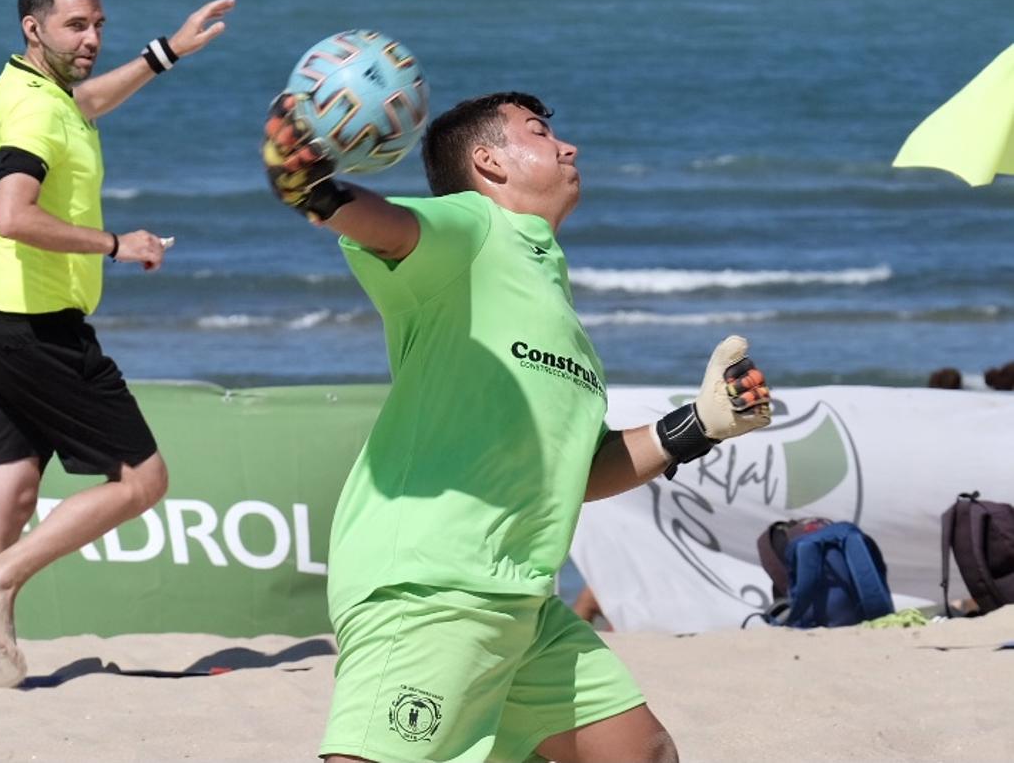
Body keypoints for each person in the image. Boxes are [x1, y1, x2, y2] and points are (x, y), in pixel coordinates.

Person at [262, 91, 774, 762]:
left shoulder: (546, 289)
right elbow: (386, 225)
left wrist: (700, 424)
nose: (568, 147)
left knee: (639, 752)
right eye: (538, 133)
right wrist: (318, 192)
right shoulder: (471, 227)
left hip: (520, 597)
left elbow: (577, 473)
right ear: (488, 163)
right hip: (436, 582)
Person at [0, 0, 233, 670]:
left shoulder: (33, 86)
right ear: (33, 26)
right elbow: (13, 215)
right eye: (75, 25)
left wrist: (166, 51)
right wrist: (117, 243)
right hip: (40, 336)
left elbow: (85, 104)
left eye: (98, 25)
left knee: (9, 499)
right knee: (143, 480)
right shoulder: (31, 107)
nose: (91, 39)